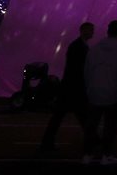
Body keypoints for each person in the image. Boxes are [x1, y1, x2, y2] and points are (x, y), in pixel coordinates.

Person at [40, 21, 94, 154]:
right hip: (74, 88)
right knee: (81, 116)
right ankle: (94, 141)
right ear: (83, 30)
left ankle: (47, 143)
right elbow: (77, 69)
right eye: (90, 30)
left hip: (69, 87)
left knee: (61, 117)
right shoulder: (79, 47)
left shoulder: (78, 46)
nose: (92, 32)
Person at [84, 19, 117, 165]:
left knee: (92, 125)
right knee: (110, 126)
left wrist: (89, 87)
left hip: (95, 92)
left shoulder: (96, 48)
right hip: (114, 94)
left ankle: (88, 154)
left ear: (107, 30)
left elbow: (87, 70)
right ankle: (106, 154)